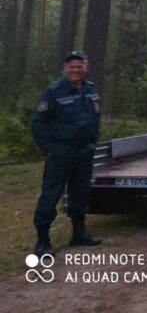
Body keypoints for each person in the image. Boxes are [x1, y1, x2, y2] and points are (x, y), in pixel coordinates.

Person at [32, 50, 103, 257]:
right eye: (71, 66)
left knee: (80, 192)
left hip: (84, 152)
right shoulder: (54, 91)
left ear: (86, 68)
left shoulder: (91, 89)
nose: (75, 70)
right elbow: (38, 123)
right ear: (65, 69)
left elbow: (95, 118)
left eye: (79, 66)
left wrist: (93, 141)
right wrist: (50, 149)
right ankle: (43, 242)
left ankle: (79, 233)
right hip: (60, 153)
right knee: (51, 194)